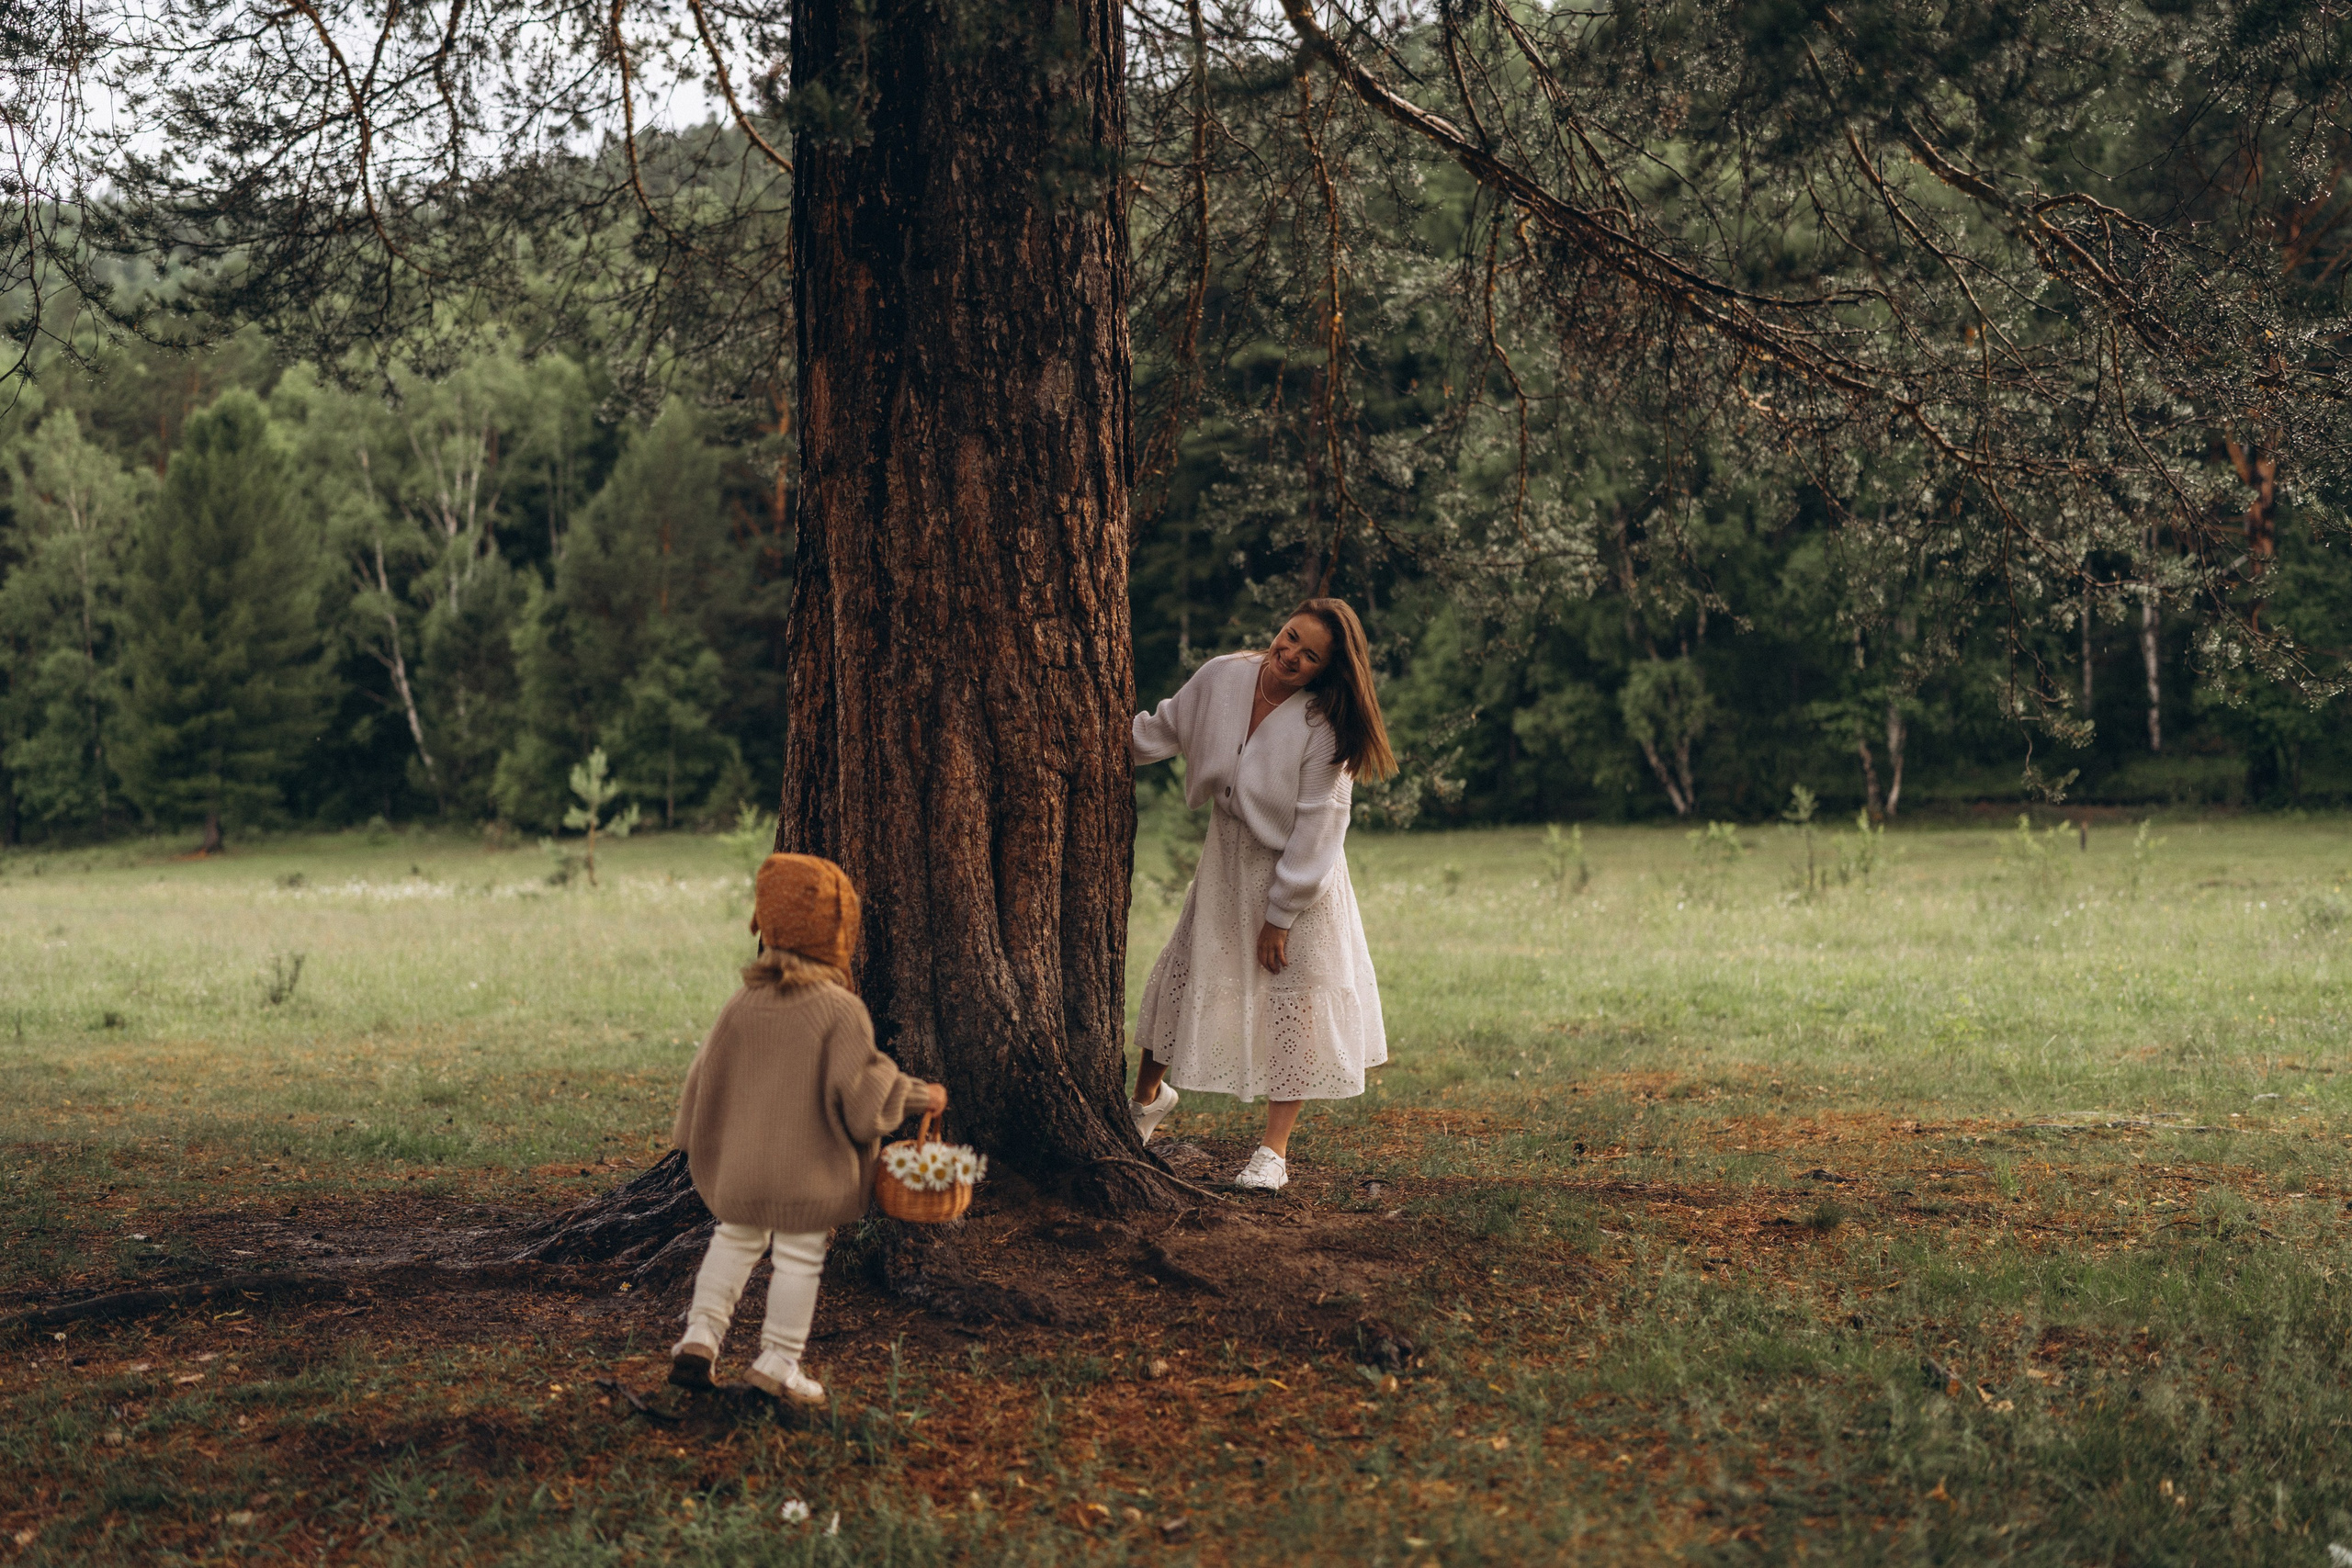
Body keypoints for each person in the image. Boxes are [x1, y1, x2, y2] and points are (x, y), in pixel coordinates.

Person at [1128, 597, 1396, 1190]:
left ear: (1326, 670)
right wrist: (1108, 746)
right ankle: (1144, 1101)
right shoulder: (1224, 676)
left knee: (1294, 1002)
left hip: (1298, 880)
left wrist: (1281, 913)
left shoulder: (1322, 727)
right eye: (1290, 636)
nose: (1291, 654)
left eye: (1309, 655)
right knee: (1181, 970)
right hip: (1226, 861)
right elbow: (1166, 726)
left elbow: (1320, 826)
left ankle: (1273, 1152)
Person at [666, 852, 947, 1404]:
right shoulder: (840, 1012)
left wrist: (691, 1137)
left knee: (733, 1240)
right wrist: (919, 1095)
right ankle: (778, 1362)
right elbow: (865, 1097)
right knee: (799, 1258)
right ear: (839, 935)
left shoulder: (741, 1005)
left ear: (767, 926)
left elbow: (702, 1081)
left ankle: (699, 1337)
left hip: (741, 1172)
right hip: (809, 1175)